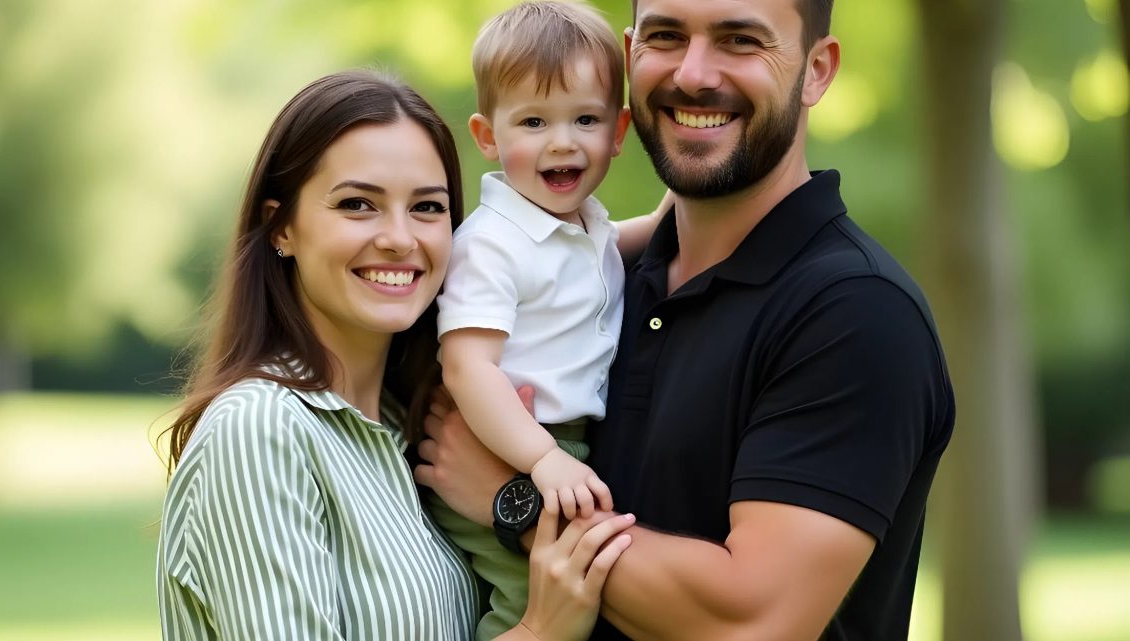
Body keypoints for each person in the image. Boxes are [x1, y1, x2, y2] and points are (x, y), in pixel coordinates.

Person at [416, 0, 956, 639]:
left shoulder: (855, 314)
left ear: (816, 69)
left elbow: (750, 622)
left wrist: (517, 505)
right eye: (666, 36)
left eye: (739, 40)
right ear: (630, 54)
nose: (694, 74)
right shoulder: (613, 271)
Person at [155, 69, 635, 641]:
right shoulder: (260, 428)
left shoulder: (417, 429)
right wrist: (540, 631)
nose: (401, 238)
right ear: (281, 226)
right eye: (358, 204)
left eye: (428, 208)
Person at [431, 3, 665, 639]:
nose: (562, 141)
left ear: (618, 131)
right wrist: (540, 461)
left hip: (565, 447)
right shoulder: (493, 243)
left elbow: (622, 241)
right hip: (514, 443)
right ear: (488, 136)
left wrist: (685, 199)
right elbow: (466, 364)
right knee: (532, 597)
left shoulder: (583, 224)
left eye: (585, 119)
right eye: (533, 121)